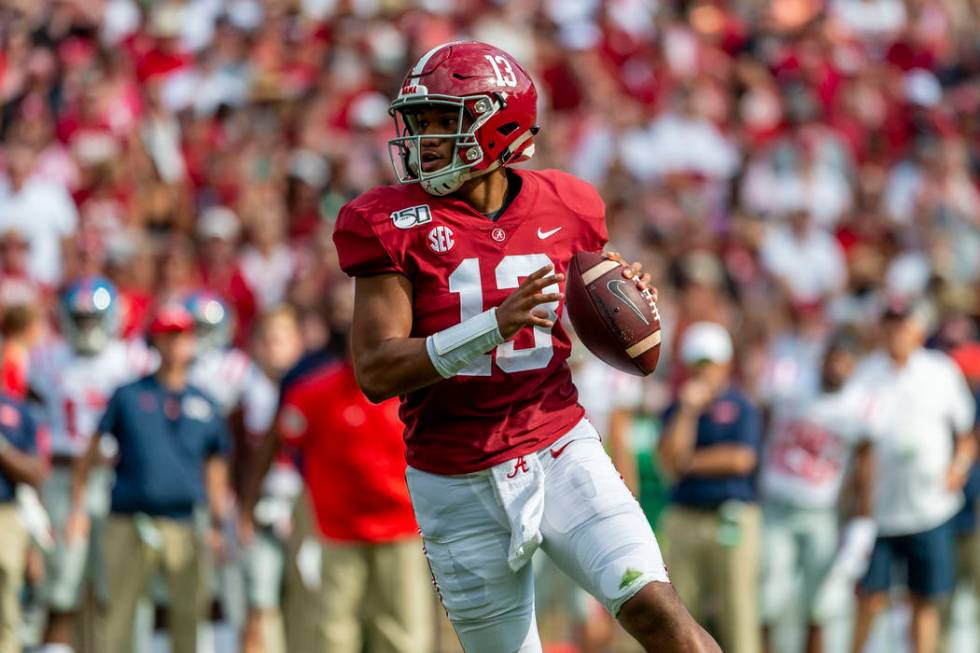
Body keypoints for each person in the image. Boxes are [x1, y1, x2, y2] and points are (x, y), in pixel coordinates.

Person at [331, 40, 717, 652]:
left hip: (559, 445)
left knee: (657, 612)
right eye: (420, 121)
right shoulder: (386, 220)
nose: (424, 138)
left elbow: (595, 299)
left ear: (500, 123)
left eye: (442, 121)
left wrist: (625, 295)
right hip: (454, 478)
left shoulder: (570, 204)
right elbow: (377, 369)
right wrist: (493, 324)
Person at [244, 280, 433, 653]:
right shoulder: (315, 394)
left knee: (404, 633)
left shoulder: (410, 392)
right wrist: (251, 503)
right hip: (337, 531)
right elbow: (276, 442)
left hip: (400, 528)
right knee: (333, 631)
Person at [66, 303, 231, 653]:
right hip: (129, 517)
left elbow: (215, 466)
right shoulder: (128, 395)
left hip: (184, 520)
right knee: (120, 611)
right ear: (154, 341)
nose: (174, 345)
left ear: (191, 341)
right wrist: (78, 505)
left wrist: (218, 523)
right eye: (166, 336)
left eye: (181, 336)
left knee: (189, 614)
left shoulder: (205, 401)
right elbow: (92, 450)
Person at [30, 277, 154, 652]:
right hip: (63, 476)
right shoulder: (47, 356)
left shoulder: (132, 358)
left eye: (92, 318)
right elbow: (35, 415)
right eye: (79, 319)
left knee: (113, 580)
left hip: (116, 479)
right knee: (61, 582)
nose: (86, 327)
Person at [850, 300, 976, 653]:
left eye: (903, 325)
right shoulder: (867, 374)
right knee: (869, 599)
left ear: (917, 330)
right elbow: (859, 442)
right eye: (890, 325)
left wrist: (957, 469)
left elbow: (966, 433)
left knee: (925, 600)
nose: (896, 334)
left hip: (929, 508)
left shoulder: (940, 372)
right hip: (880, 512)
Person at [758, 330, 876, 653]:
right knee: (768, 598)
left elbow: (865, 470)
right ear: (821, 359)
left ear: (855, 366)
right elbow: (762, 424)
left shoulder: (859, 405)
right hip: (776, 506)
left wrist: (864, 521)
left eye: (845, 361)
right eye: (833, 358)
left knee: (820, 604)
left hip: (821, 512)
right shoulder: (791, 385)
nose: (837, 367)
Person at [656, 321, 763, 653]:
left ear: (725, 364)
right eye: (698, 364)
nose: (704, 372)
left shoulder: (741, 405)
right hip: (686, 516)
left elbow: (741, 459)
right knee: (682, 613)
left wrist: (689, 463)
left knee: (738, 611)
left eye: (710, 363)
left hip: (731, 516)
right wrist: (688, 412)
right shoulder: (677, 409)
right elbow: (667, 464)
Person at [0, 391, 44, 653]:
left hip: (6, 513)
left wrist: (3, 450)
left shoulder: (16, 410)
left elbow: (35, 472)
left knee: (7, 604)